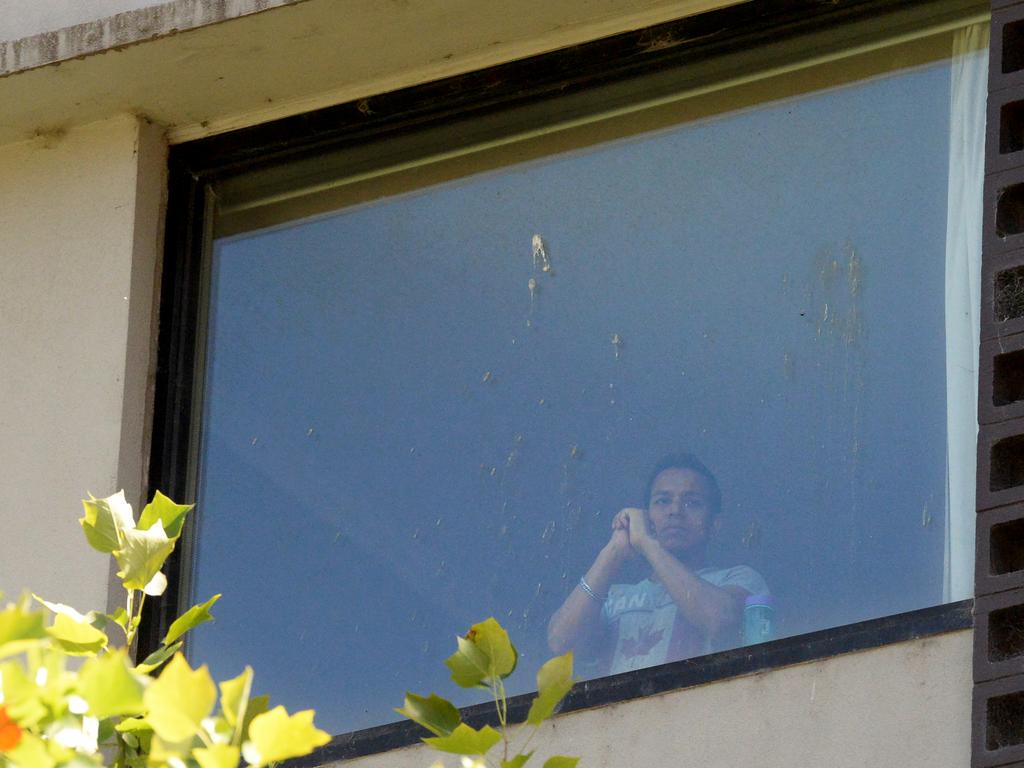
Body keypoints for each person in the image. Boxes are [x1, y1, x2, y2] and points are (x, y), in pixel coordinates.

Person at [547, 453, 768, 675]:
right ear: (647, 517)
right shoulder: (612, 598)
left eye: (692, 503)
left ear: (715, 524)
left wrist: (648, 543)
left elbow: (720, 623)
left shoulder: (737, 579)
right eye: (663, 501)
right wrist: (613, 551)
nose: (675, 511)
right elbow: (561, 643)